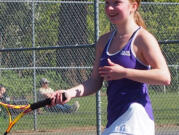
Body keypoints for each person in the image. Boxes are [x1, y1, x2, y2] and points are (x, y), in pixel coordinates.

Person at [51, 0, 171, 134]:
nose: (110, 8)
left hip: (136, 117)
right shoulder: (104, 41)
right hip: (114, 120)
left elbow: (164, 76)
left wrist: (125, 72)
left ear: (133, 6)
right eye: (107, 3)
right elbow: (95, 81)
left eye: (116, 3)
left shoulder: (143, 39)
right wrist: (69, 93)